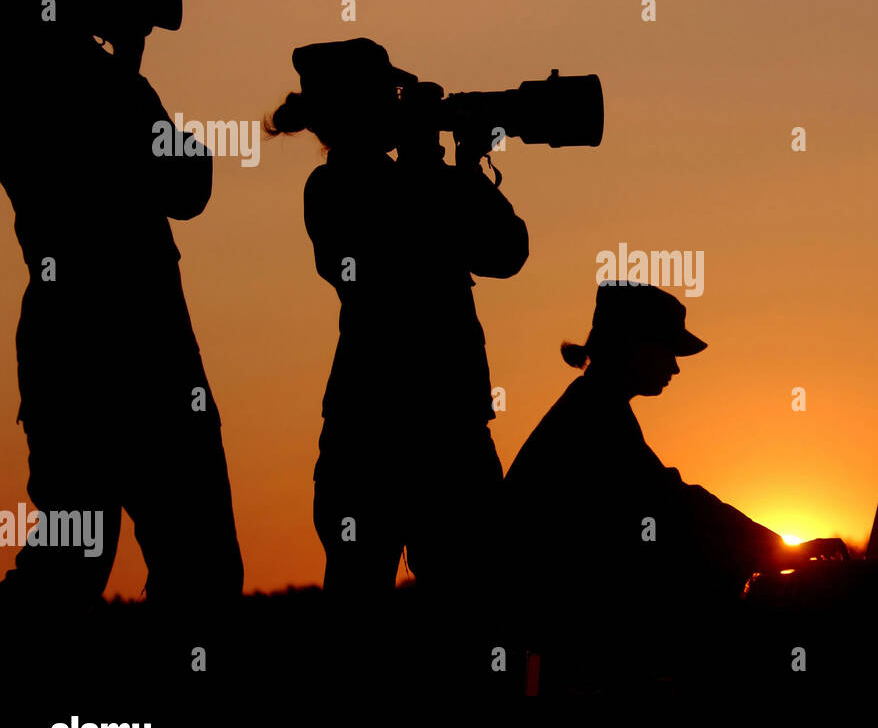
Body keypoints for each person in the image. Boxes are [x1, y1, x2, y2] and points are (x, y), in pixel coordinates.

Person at [0, 0, 244, 613]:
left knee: (70, 558)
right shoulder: (91, 80)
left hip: (65, 342)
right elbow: (186, 185)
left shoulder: (31, 73)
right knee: (194, 563)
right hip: (140, 345)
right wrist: (128, 68)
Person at [265, 39, 528, 618]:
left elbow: (506, 253)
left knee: (476, 603)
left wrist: (463, 166)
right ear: (357, 109)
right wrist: (427, 162)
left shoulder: (421, 179)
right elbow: (380, 260)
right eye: (391, 95)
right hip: (374, 435)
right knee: (360, 608)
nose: (400, 104)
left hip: (449, 427)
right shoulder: (332, 189)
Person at [503, 281, 847, 690]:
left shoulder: (592, 406)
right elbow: (676, 508)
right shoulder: (597, 418)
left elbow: (672, 503)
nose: (676, 366)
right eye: (669, 349)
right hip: (570, 620)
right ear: (635, 345)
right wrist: (777, 550)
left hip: (559, 617)